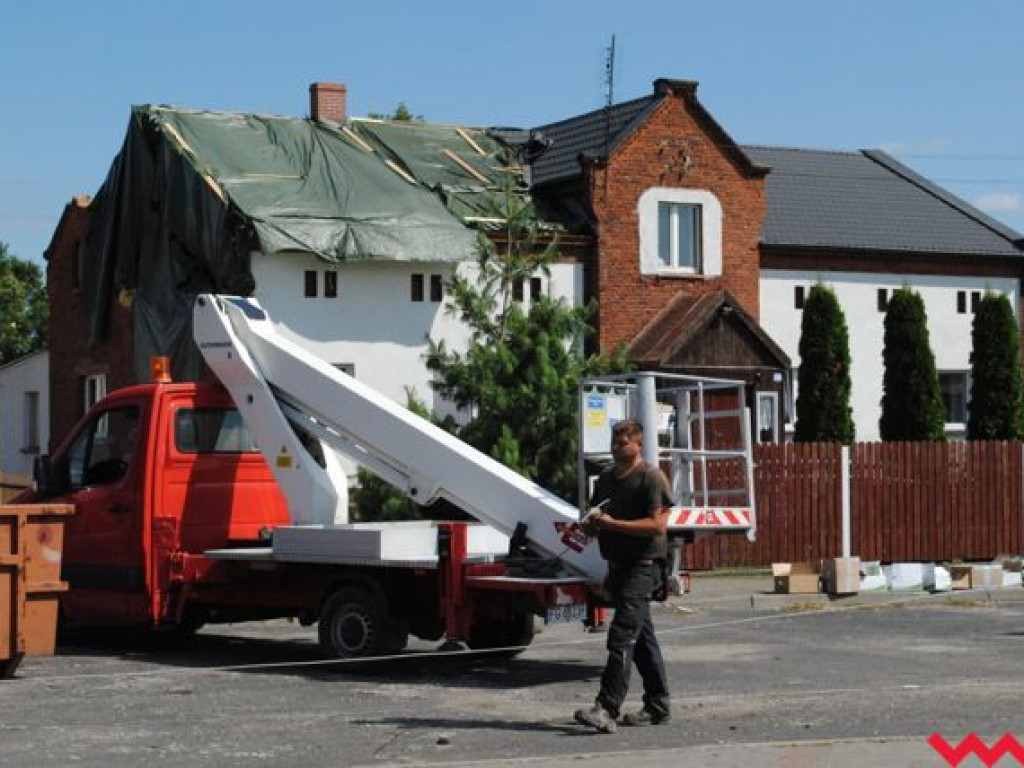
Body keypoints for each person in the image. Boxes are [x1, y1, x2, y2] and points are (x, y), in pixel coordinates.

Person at [574, 418, 672, 734]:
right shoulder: (604, 479)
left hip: (644, 566)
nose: (619, 445)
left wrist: (612, 524)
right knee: (642, 640)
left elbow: (657, 526)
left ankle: (606, 708)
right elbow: (596, 517)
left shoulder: (651, 478)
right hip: (617, 566)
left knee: (622, 634)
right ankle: (658, 706)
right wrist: (589, 526)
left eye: (625, 440)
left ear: (639, 444)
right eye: (615, 440)